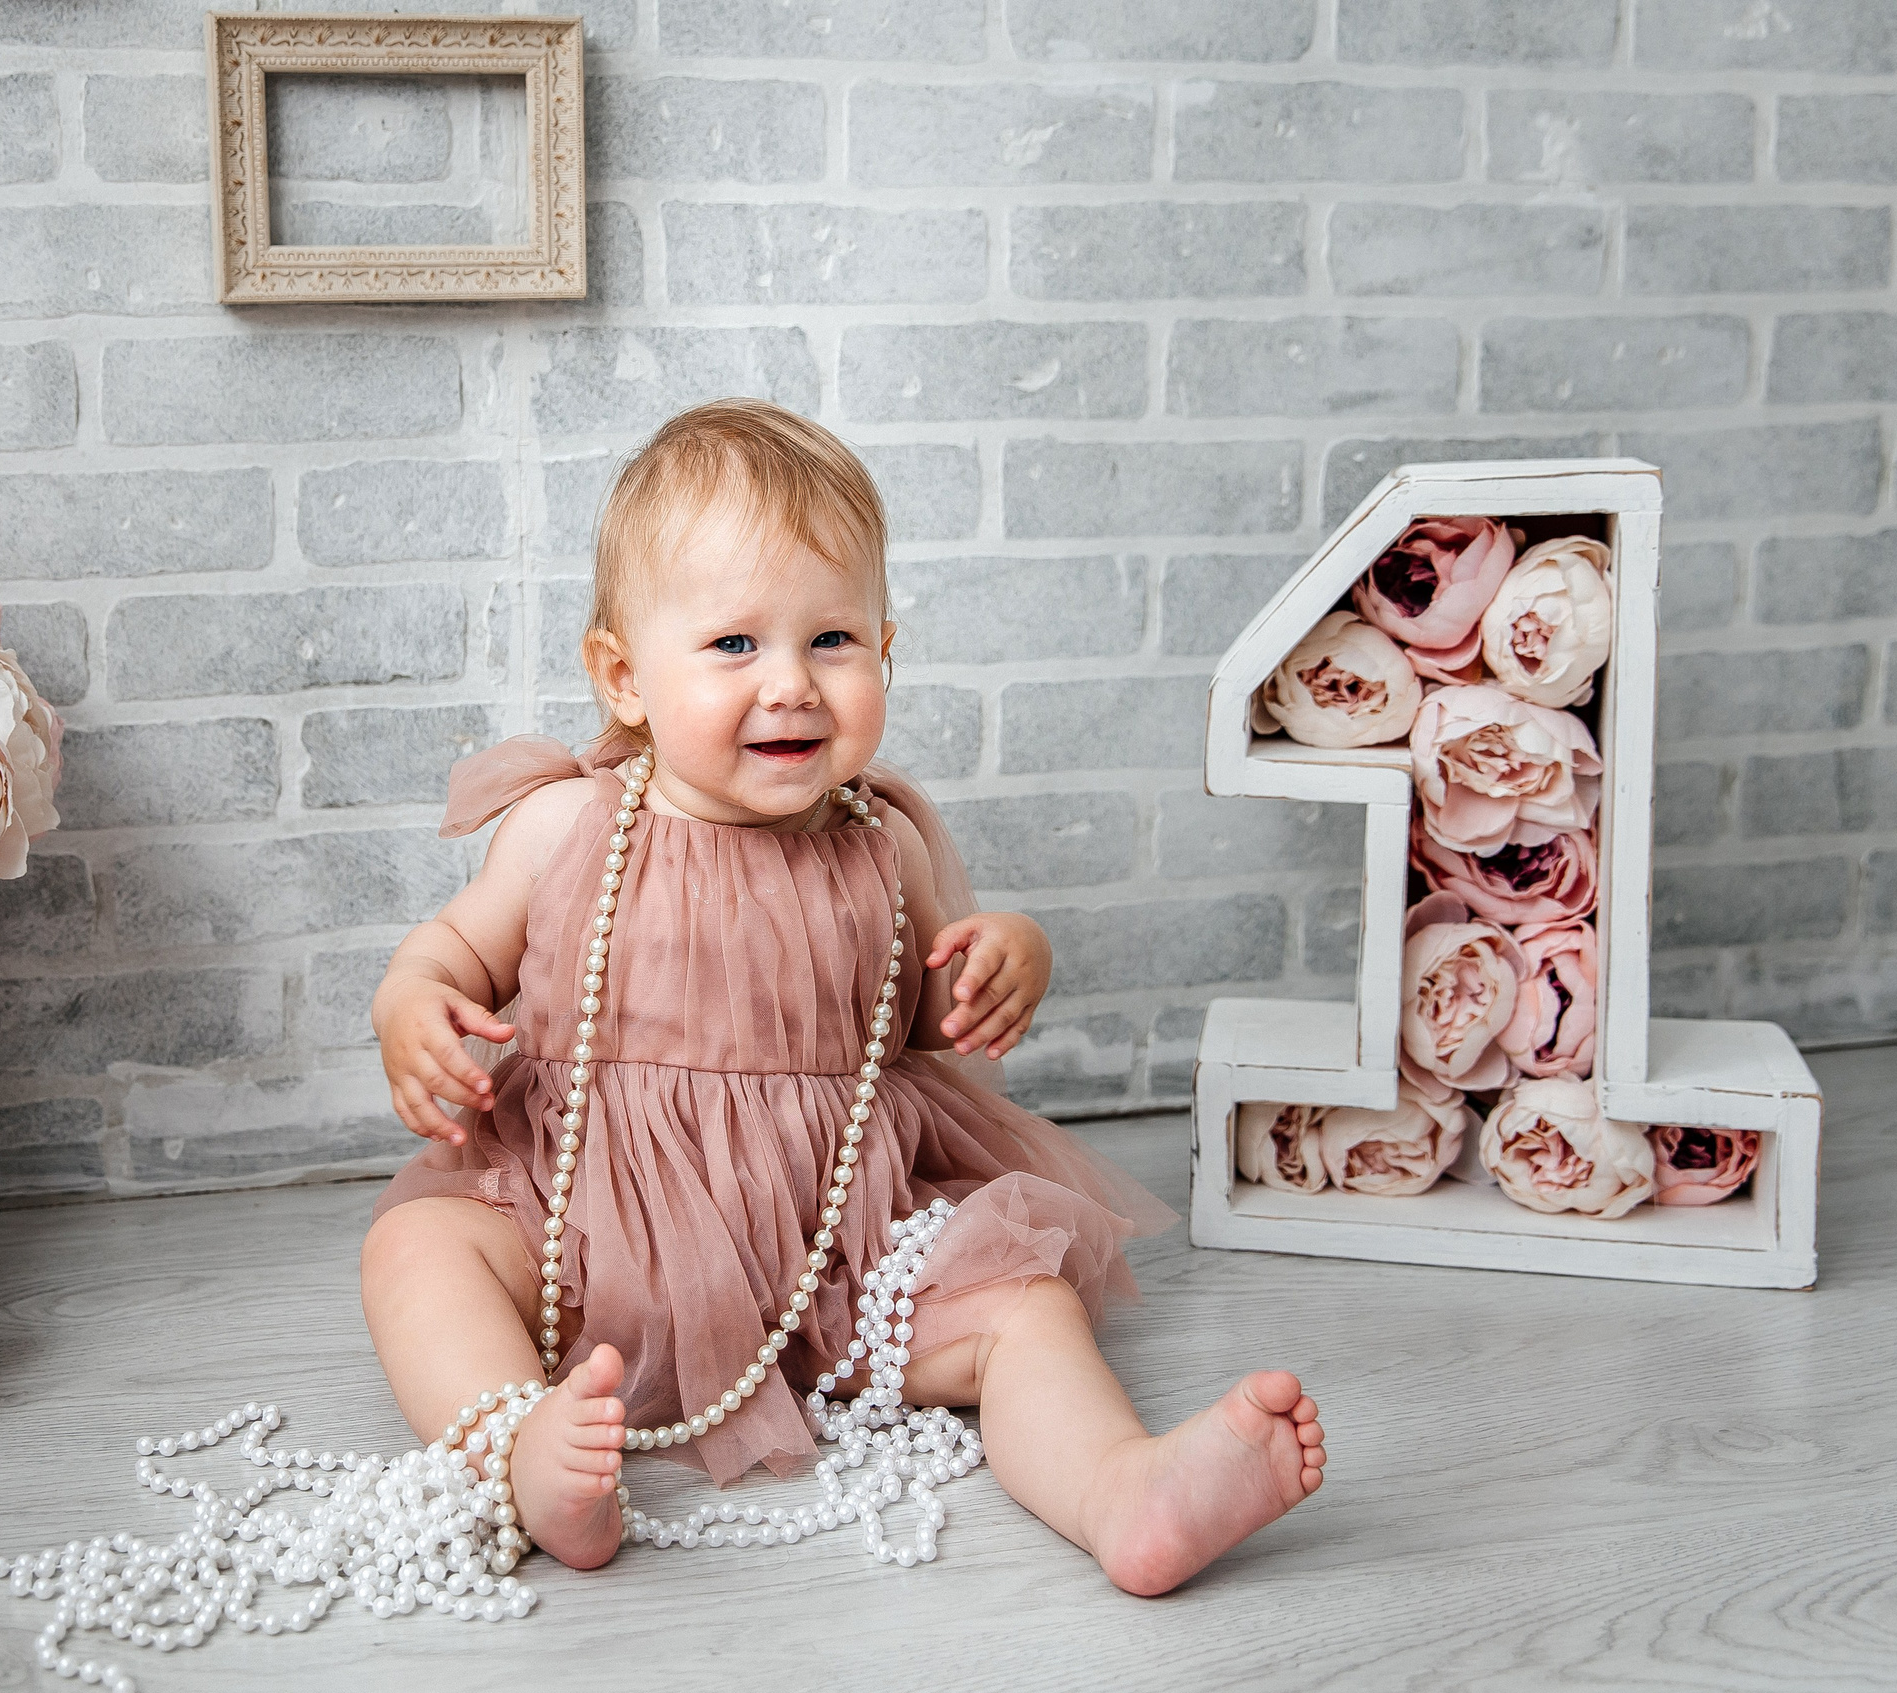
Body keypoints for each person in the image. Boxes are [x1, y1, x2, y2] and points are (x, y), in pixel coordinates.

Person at [361, 400, 1325, 1596]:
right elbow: (451, 950)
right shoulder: (568, 827)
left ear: (884, 651)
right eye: (733, 645)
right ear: (623, 676)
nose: (791, 686)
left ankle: (1118, 1488)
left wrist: (1006, 957)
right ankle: (519, 1451)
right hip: (591, 1238)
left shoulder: (883, 845)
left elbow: (923, 1023)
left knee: (1024, 1305)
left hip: (839, 1249)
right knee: (418, 1249)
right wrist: (413, 1003)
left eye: (831, 640)